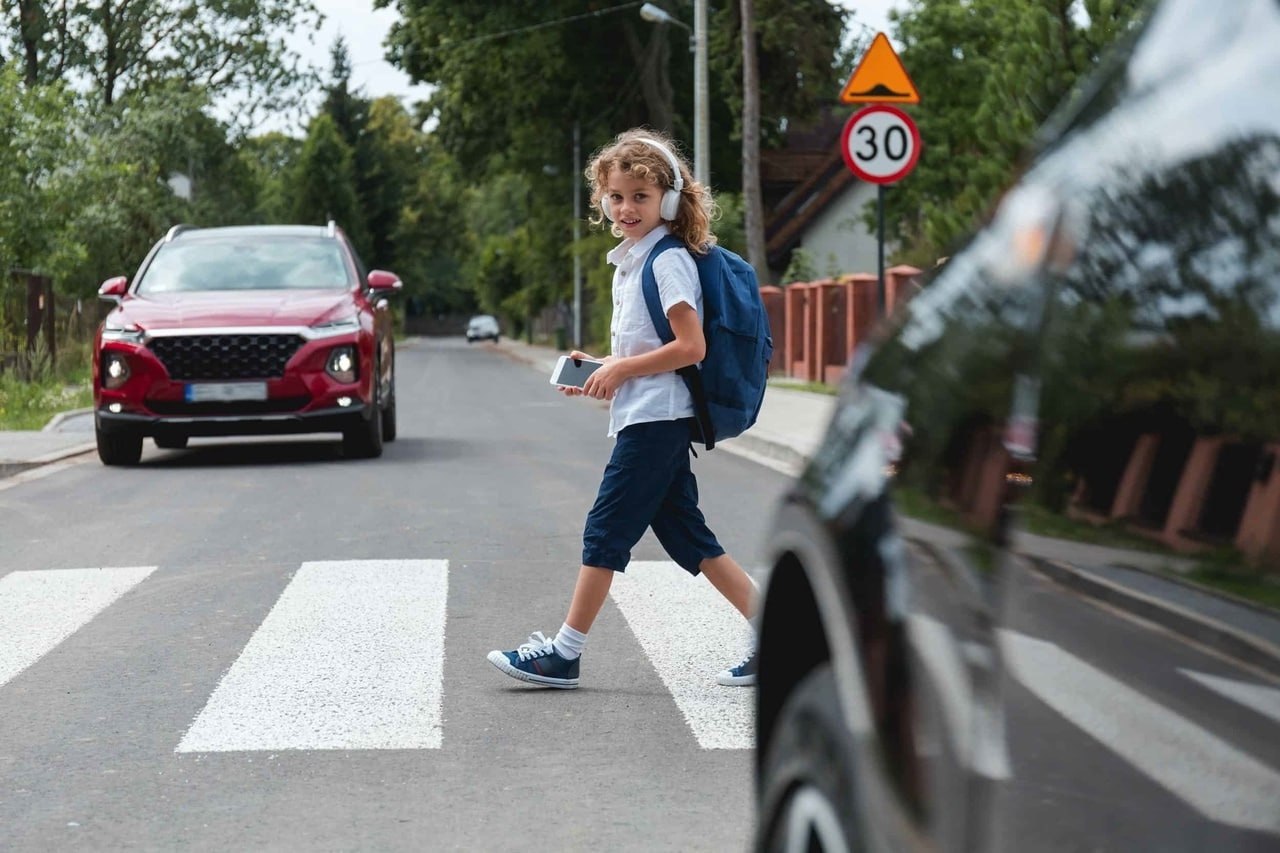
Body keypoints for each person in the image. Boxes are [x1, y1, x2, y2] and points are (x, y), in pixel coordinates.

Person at [486, 128, 759, 690]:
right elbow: (649, 343)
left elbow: (691, 348)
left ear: (670, 198)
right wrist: (604, 364)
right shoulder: (635, 261)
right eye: (616, 195)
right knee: (690, 538)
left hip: (657, 420)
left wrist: (622, 370)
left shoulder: (666, 260)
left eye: (641, 195)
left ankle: (564, 653)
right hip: (649, 412)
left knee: (604, 530)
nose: (626, 207)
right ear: (601, 198)